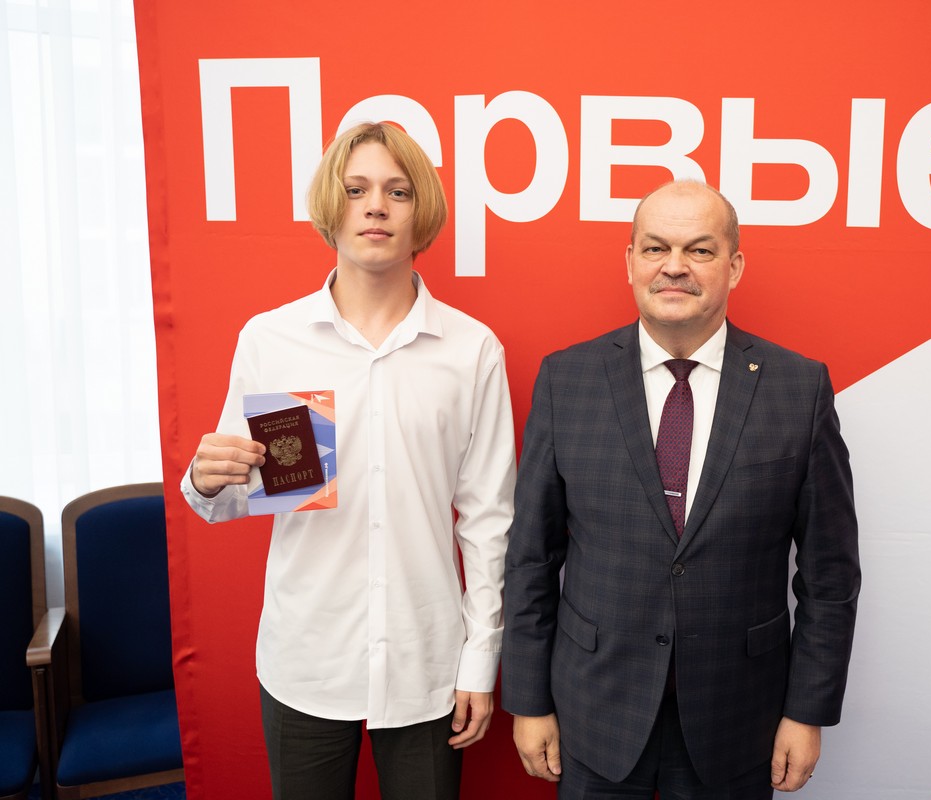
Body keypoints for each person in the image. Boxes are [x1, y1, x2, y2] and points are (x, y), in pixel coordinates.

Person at [181, 122, 516, 800]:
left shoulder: (472, 349)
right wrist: (204, 481)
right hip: (306, 655)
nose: (376, 207)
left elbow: (488, 521)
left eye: (398, 191)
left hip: (426, 658)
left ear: (421, 212)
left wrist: (481, 658)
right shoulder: (272, 339)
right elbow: (242, 491)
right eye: (356, 189)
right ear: (331, 208)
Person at [501, 180, 860, 798]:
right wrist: (529, 700)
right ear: (630, 262)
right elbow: (532, 557)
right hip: (595, 712)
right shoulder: (567, 380)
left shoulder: (799, 389)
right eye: (655, 248)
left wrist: (806, 712)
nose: (674, 267)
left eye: (699, 250)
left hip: (737, 719)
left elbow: (830, 574)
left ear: (734, 266)